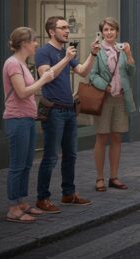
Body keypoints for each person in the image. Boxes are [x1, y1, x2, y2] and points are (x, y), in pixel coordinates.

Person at [34, 16, 99, 212]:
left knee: (70, 155)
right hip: (53, 111)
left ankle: (68, 194)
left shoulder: (64, 52)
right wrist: (66, 59)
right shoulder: (43, 52)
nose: (67, 30)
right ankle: (42, 198)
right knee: (51, 156)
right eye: (63, 27)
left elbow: (81, 71)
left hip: (69, 111)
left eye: (68, 27)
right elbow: (47, 75)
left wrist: (92, 54)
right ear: (52, 32)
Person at [3, 27, 55, 223]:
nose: (36, 44)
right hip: (17, 120)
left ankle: (21, 202)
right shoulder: (13, 64)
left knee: (26, 164)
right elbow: (23, 92)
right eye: (34, 41)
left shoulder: (22, 63)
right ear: (24, 43)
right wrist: (43, 80)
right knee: (17, 165)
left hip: (27, 119)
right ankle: (13, 207)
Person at [88, 18, 136, 192]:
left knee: (117, 138)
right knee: (101, 137)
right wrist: (105, 86)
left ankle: (114, 177)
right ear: (102, 32)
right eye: (106, 30)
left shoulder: (122, 50)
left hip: (121, 99)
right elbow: (91, 76)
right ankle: (99, 178)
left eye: (112, 29)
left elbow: (132, 72)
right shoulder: (97, 51)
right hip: (104, 99)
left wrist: (129, 54)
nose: (109, 33)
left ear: (117, 31)